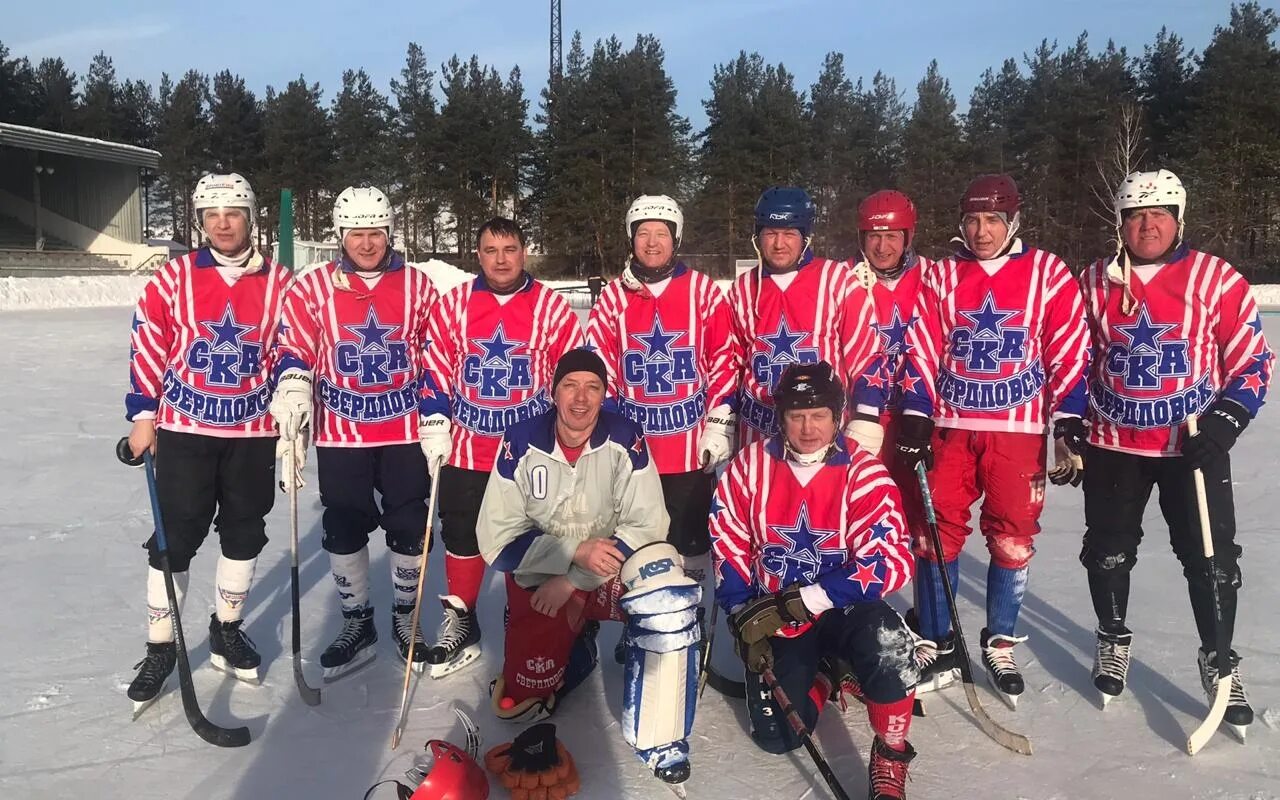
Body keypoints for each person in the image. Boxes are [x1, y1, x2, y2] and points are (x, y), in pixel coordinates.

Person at [1077, 169, 1272, 736]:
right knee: (1109, 551)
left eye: (1159, 213)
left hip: (1192, 446)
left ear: (1178, 219)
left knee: (1212, 561)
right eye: (1136, 216)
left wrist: (1226, 419)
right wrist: (1067, 425)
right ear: (1121, 224)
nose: (1147, 225)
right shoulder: (1096, 280)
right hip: (1114, 443)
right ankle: (1112, 637)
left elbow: (1253, 361)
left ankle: (1219, 661)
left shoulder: (1216, 279)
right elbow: (1066, 353)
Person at [896, 174, 1090, 707]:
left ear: (1013, 222)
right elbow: (923, 346)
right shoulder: (942, 275)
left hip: (1018, 431)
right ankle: (938, 641)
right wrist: (916, 413)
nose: (982, 232)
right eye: (973, 221)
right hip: (953, 428)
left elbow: (1068, 346)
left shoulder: (1046, 272)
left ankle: (999, 640)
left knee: (1011, 539)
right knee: (935, 533)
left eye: (992, 220)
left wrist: (1068, 418)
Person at [476, 349, 701, 790]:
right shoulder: (520, 440)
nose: (581, 399)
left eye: (593, 387)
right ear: (553, 392)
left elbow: (650, 523)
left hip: (609, 567)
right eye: (570, 386)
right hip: (546, 573)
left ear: (604, 394)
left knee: (665, 598)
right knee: (519, 701)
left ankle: (661, 737)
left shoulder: (625, 436)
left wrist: (576, 580)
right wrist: (573, 554)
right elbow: (496, 541)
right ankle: (575, 647)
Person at [709, 361, 919, 800]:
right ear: (781, 417)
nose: (808, 428)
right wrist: (739, 610)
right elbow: (727, 539)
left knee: (889, 644)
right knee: (776, 736)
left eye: (819, 414)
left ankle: (891, 751)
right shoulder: (750, 465)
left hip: (844, 608)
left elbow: (892, 561)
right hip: (776, 613)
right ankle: (827, 674)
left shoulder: (864, 472)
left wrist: (808, 599)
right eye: (796, 415)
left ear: (838, 414)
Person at [122, 173, 291, 713]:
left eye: (234, 213)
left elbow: (296, 345)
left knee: (244, 530)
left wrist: (293, 393)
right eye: (213, 214)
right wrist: (143, 415)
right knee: (176, 535)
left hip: (252, 432)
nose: (223, 223)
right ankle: (161, 646)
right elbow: (149, 343)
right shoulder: (173, 278)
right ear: (201, 221)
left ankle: (227, 628)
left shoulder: (281, 282)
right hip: (186, 430)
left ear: (250, 217)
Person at [271, 186, 440, 681]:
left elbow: (438, 352)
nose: (366, 244)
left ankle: (405, 618)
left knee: (410, 525)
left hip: (404, 428)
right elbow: (295, 346)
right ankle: (357, 620)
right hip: (343, 431)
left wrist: (435, 413)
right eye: (356, 234)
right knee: (344, 527)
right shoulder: (311, 286)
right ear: (340, 236)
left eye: (375, 233)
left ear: (389, 233)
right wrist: (297, 389)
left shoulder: (419, 286)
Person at [420, 217, 583, 678]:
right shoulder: (455, 304)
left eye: (509, 249)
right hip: (469, 444)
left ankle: (527, 612)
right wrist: (434, 419)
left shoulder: (550, 307)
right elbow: (435, 367)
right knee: (462, 530)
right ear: (478, 254)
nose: (501, 259)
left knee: (530, 534)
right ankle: (463, 617)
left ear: (523, 251)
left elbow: (569, 373)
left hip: (528, 451)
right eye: (490, 250)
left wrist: (567, 432)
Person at [584, 194, 737, 589]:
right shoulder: (615, 296)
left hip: (690, 450)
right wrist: (611, 431)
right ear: (630, 239)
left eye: (662, 234)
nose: (652, 243)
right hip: (636, 454)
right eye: (643, 234)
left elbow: (724, 357)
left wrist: (719, 422)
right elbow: (601, 366)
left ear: (676, 239)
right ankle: (641, 623)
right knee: (638, 542)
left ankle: (692, 621)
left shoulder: (702, 291)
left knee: (691, 542)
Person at [726, 186, 885, 451]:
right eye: (770, 234)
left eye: (789, 233)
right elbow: (730, 363)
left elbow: (866, 352)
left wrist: (867, 411)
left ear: (805, 237)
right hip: (759, 430)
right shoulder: (742, 289)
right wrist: (723, 418)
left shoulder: (836, 280)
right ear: (757, 236)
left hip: (820, 431)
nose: (779, 244)